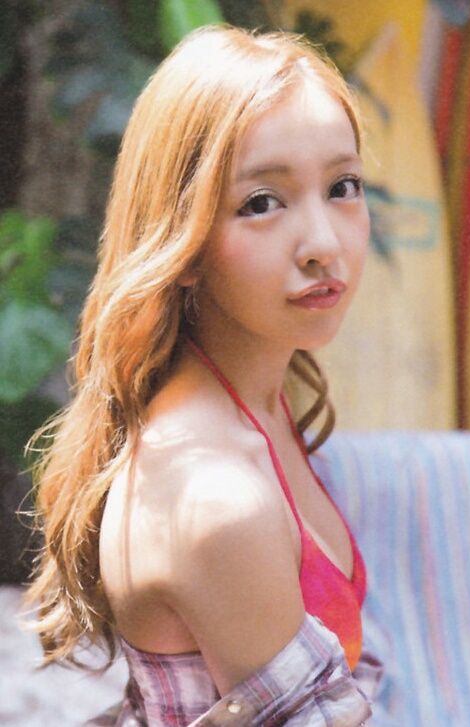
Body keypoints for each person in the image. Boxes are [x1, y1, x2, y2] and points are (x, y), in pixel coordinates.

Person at [26, 25, 383, 725]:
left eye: (343, 186)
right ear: (181, 243)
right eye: (262, 202)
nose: (324, 243)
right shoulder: (216, 496)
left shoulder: (256, 404)